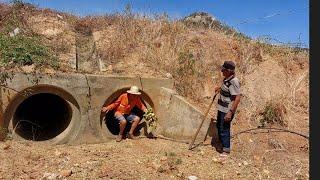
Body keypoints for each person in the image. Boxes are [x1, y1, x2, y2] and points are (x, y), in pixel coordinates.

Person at [214, 60, 241, 157]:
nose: (222, 71)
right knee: (219, 126)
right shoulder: (227, 79)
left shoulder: (234, 81)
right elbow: (226, 88)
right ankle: (222, 144)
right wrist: (219, 88)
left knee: (224, 129)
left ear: (229, 71)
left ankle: (226, 150)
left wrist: (230, 112)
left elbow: (237, 98)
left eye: (224, 70)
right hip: (221, 108)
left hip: (227, 110)